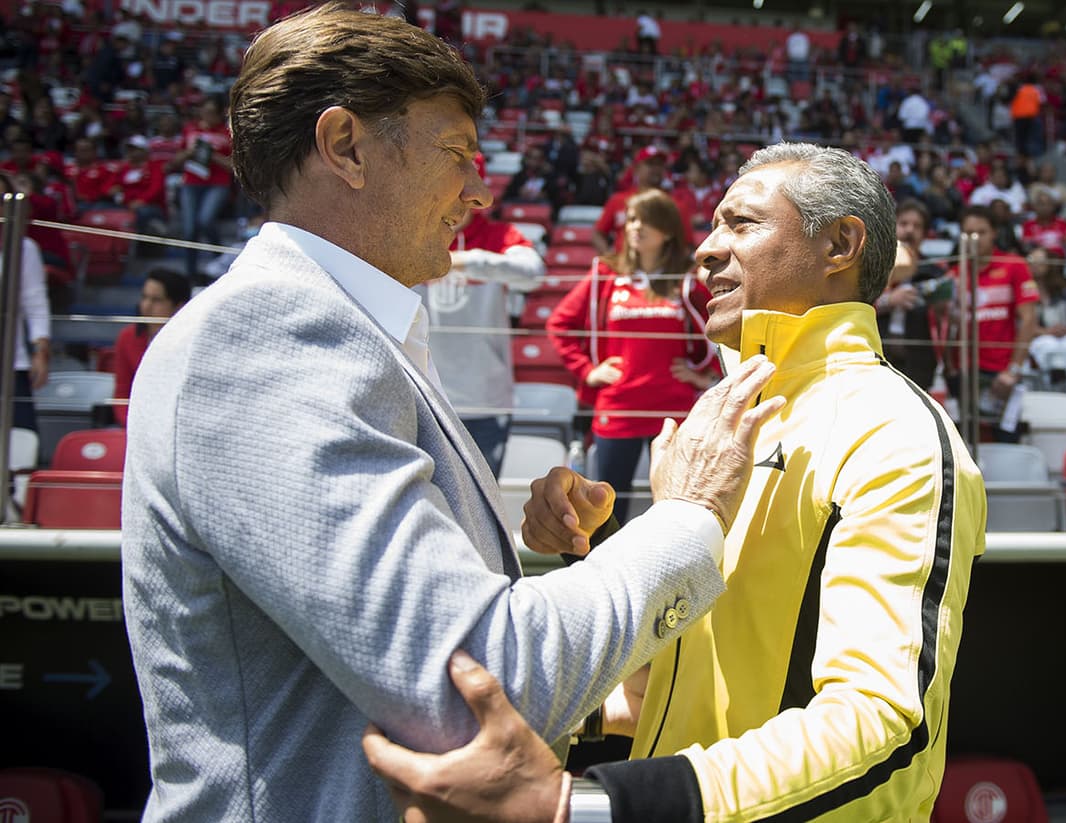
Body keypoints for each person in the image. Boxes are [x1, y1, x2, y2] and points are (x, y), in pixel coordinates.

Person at [120, 7, 783, 821]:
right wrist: (686, 515)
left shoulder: (345, 330)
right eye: (457, 154)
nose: (478, 188)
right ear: (346, 147)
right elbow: (474, 677)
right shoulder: (267, 336)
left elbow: (391, 669)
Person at [363, 142, 987, 822]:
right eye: (713, 225)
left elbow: (881, 721)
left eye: (741, 223)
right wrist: (594, 550)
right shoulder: (721, 412)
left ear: (840, 244)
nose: (706, 249)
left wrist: (591, 806)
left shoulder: (893, 429)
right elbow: (665, 689)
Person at [548, 189, 717, 522]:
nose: (635, 227)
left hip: (674, 407)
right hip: (619, 405)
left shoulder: (684, 279)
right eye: (633, 219)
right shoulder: (606, 274)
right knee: (606, 506)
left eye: (647, 221)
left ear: (668, 230)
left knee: (676, 507)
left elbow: (720, 326)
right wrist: (588, 371)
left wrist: (705, 374)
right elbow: (560, 323)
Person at [413, 165, 546, 476]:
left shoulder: (498, 235)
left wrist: (463, 261)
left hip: (486, 399)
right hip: (426, 395)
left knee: (482, 508)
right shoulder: (415, 235)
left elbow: (533, 273)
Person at [946, 205, 1039, 441]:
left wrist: (1014, 370)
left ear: (995, 232)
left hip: (1001, 372)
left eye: (982, 232)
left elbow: (1028, 319)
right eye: (968, 233)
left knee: (1006, 443)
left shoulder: (1014, 265)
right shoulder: (955, 273)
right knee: (962, 446)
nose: (974, 239)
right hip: (964, 373)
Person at [875, 198, 946, 389]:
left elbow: (946, 316)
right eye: (904, 224)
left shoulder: (935, 272)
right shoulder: (875, 267)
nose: (909, 230)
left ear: (924, 234)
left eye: (917, 226)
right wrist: (889, 300)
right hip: (877, 355)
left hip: (919, 359)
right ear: (893, 227)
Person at [1, 174, 50, 433]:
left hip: (11, 360)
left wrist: (40, 350)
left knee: (20, 438)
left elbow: (35, 302)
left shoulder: (25, 248)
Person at [110, 268, 189, 426]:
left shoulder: (190, 342)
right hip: (136, 425)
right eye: (144, 297)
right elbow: (122, 396)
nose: (146, 306)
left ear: (179, 306)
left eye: (156, 300)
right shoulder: (127, 338)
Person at [171, 95, 233, 278]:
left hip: (217, 183)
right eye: (204, 112)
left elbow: (234, 166)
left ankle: (219, 261)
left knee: (205, 220)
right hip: (191, 182)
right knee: (190, 229)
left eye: (211, 113)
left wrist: (212, 154)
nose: (207, 116)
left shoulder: (227, 132)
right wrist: (190, 152)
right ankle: (191, 274)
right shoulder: (191, 130)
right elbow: (176, 161)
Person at [1025, 247, 1066, 365]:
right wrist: (1047, 332)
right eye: (1031, 260)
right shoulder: (1024, 291)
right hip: (1037, 339)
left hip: (1063, 337)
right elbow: (1021, 326)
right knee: (1048, 344)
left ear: (1049, 264)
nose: (1035, 264)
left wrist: (1065, 330)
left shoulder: (1063, 293)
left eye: (1040, 260)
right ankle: (1049, 382)